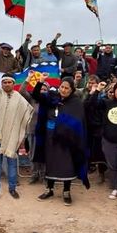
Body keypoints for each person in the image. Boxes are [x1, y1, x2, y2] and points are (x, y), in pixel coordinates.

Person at [0, 54, 34, 202]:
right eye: (5, 82)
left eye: (10, 82)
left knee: (11, 165)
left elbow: (27, 114)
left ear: (13, 83)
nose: (7, 84)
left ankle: (12, 188)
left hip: (12, 138)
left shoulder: (19, 99)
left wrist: (20, 136)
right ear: (2, 83)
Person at [33, 76, 88, 205]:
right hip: (50, 138)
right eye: (61, 87)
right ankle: (49, 189)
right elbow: (36, 95)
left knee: (66, 165)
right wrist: (40, 82)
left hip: (67, 140)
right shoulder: (51, 98)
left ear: (72, 90)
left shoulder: (76, 103)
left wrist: (67, 129)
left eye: (66, 88)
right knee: (51, 163)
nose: (63, 90)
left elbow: (78, 121)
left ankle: (66, 191)